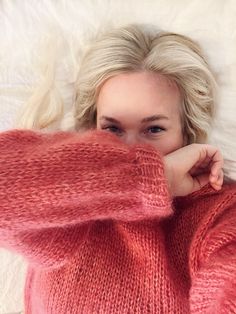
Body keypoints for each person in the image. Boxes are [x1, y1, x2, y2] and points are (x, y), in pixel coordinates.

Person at [0, 24, 235, 313]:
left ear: (187, 130)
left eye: (153, 129)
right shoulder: (67, 211)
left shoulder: (217, 212)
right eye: (112, 128)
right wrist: (147, 177)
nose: (131, 148)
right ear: (91, 127)